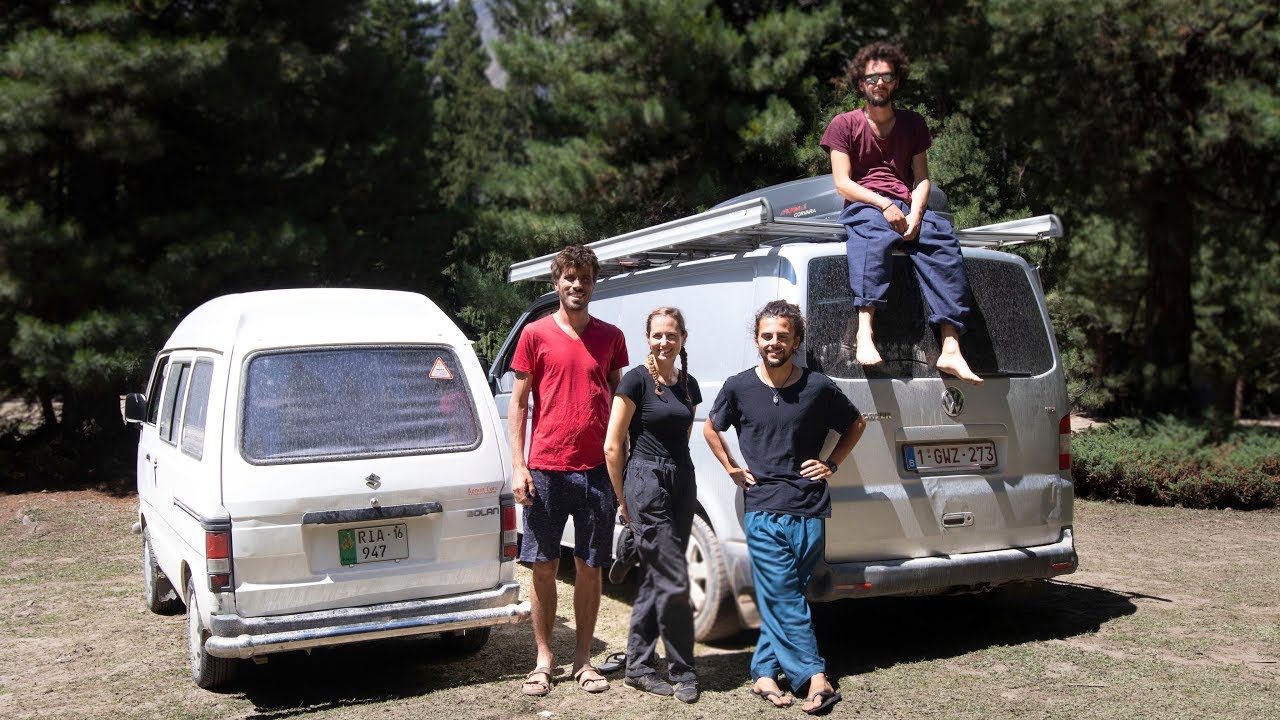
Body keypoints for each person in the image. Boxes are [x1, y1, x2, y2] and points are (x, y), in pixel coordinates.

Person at [703, 300, 866, 715]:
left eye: (783, 335)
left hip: (810, 507)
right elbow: (711, 426)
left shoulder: (818, 386)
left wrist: (831, 463)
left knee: (785, 595)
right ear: (757, 339)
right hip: (762, 507)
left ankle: (761, 673)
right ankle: (815, 676)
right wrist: (731, 467)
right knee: (783, 594)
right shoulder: (739, 386)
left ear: (796, 340)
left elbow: (856, 422)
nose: (774, 342)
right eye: (767, 335)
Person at [820, 41, 984, 385]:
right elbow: (842, 184)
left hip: (907, 206)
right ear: (861, 83)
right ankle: (865, 333)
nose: (879, 82)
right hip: (866, 204)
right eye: (871, 77)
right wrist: (884, 205)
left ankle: (951, 347)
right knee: (873, 236)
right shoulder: (844, 124)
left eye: (886, 76)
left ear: (896, 81)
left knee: (942, 241)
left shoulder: (913, 123)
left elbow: (922, 179)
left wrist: (917, 216)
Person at [510, 245, 629, 697]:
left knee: (590, 566)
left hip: (597, 469)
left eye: (584, 278)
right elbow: (520, 404)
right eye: (568, 278)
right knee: (543, 565)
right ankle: (543, 659)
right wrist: (519, 465)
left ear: (594, 283)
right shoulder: (534, 335)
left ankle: (583, 659)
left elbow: (622, 405)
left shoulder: (612, 337)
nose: (576, 285)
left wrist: (623, 468)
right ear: (556, 282)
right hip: (546, 468)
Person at [603, 307, 702, 704]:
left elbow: (685, 432)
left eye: (671, 335)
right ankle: (683, 671)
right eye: (658, 335)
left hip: (682, 479)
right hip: (645, 480)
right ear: (648, 338)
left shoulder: (689, 384)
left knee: (657, 577)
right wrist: (624, 501)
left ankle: (639, 668)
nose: (664, 342)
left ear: (682, 339)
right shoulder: (635, 381)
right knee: (676, 579)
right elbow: (613, 445)